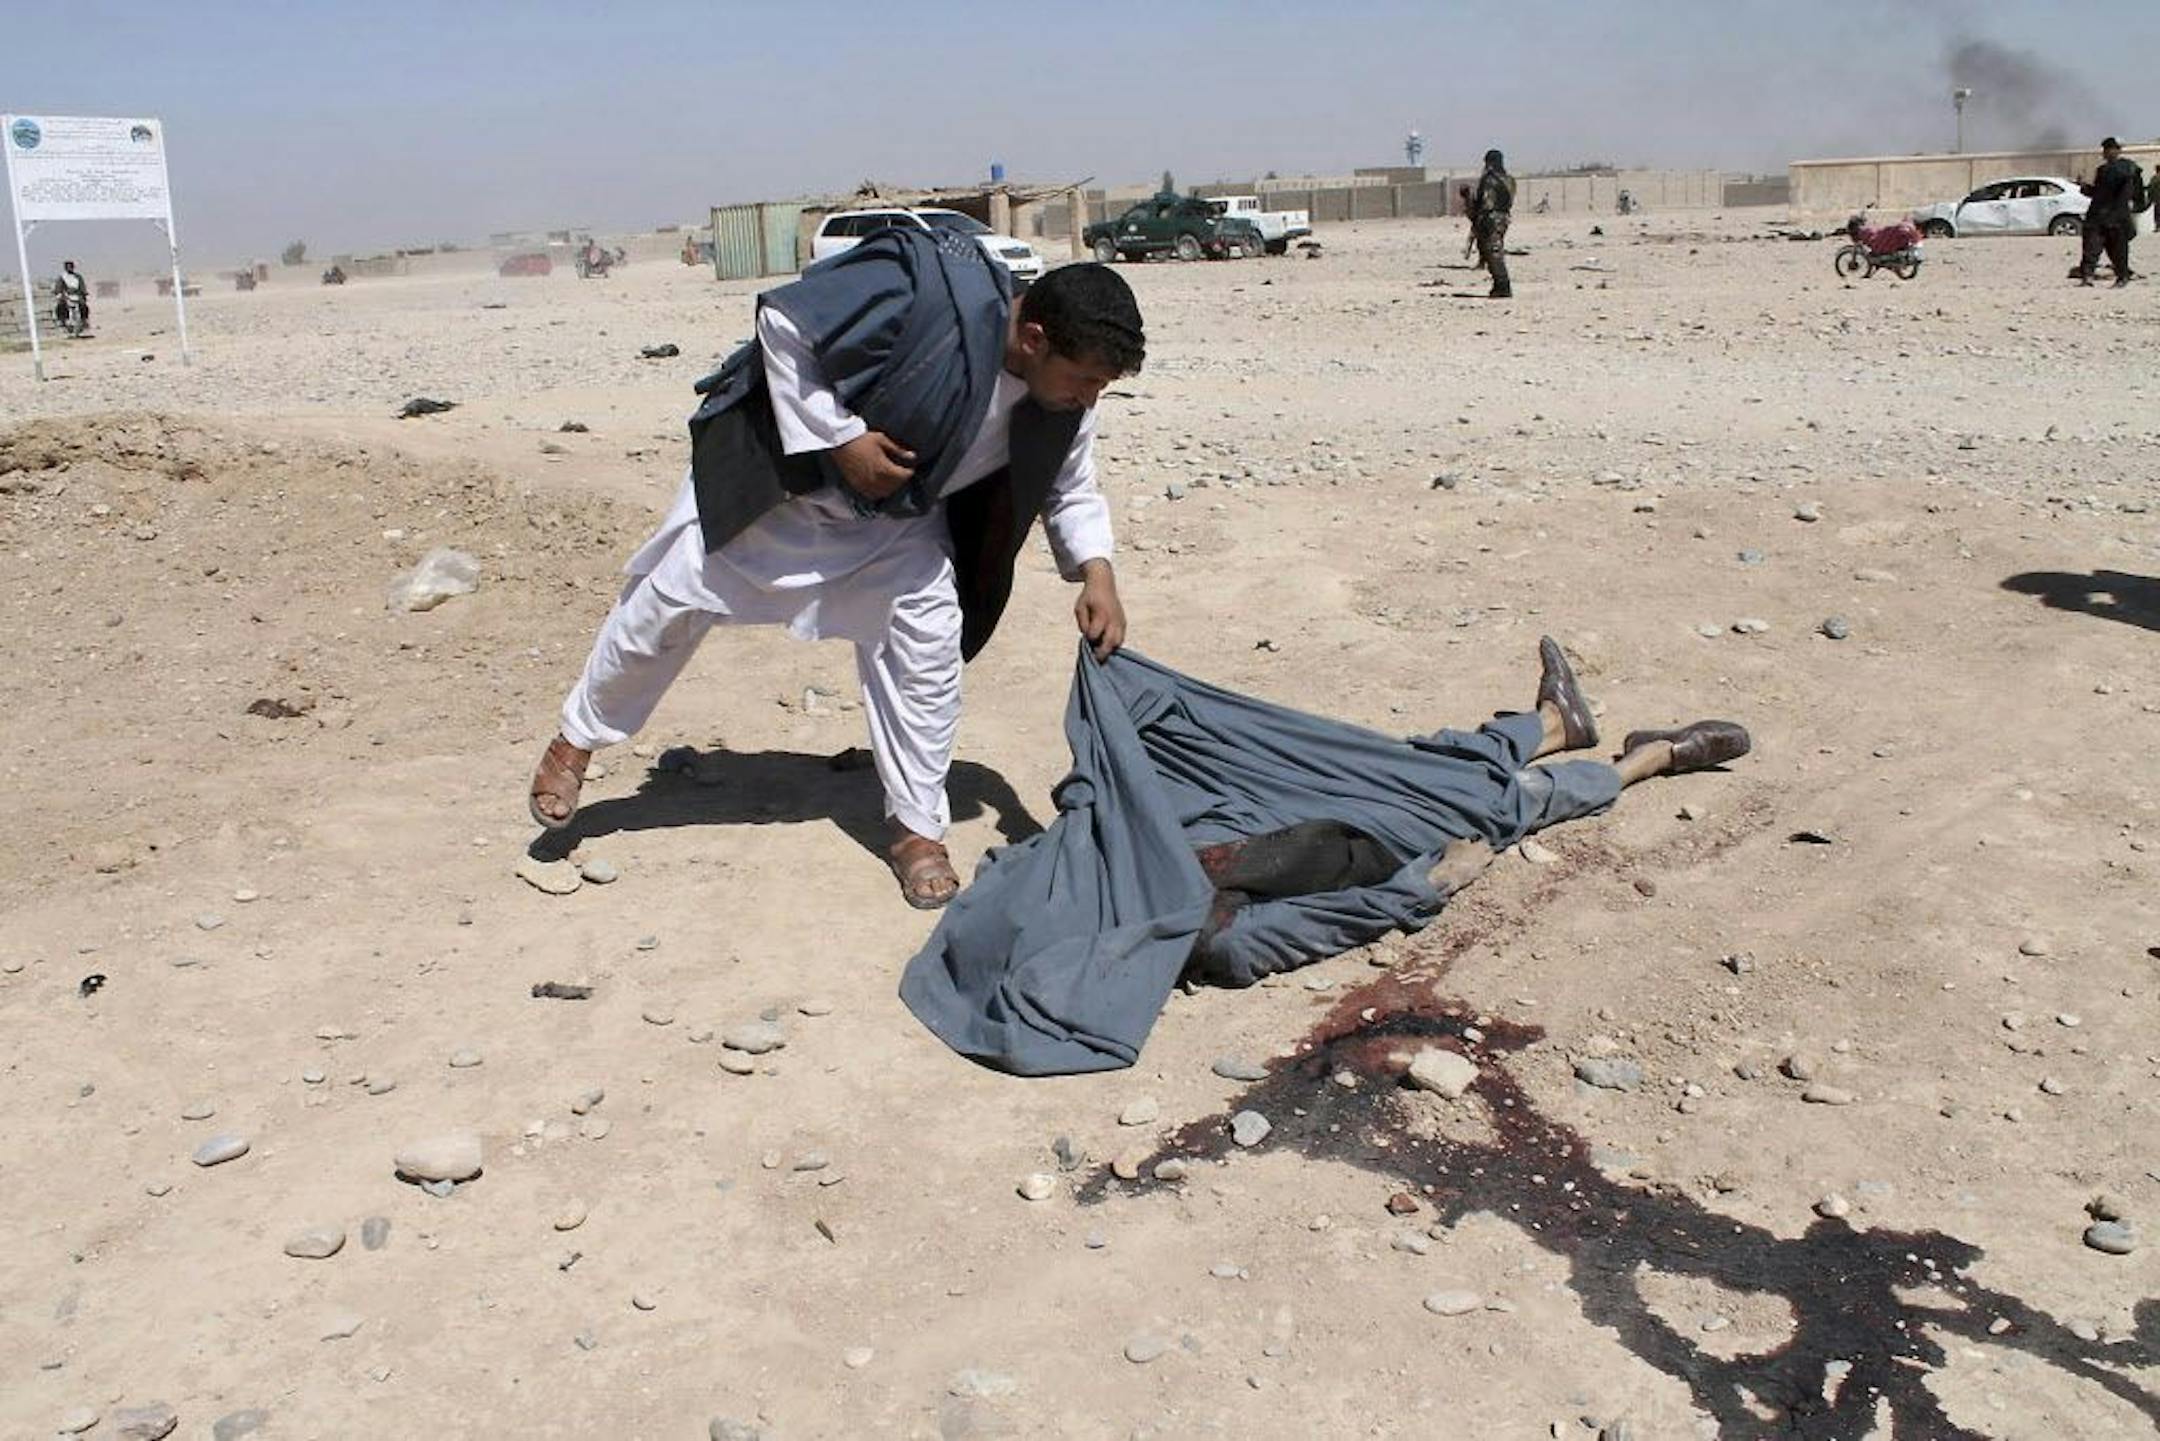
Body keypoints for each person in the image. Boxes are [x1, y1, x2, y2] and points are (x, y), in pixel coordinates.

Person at [528, 230, 1143, 909]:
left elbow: (1072, 483)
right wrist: (842, 439)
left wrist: (1097, 572)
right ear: (1032, 338)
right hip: (789, 498)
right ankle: (575, 743)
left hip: (898, 527)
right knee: (663, 608)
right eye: (1084, 379)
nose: (1089, 398)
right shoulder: (927, 292)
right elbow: (785, 322)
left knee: (928, 650)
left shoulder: (1062, 402)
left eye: (1102, 386)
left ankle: (916, 828)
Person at [2076, 137, 2145, 288]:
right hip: (2098, 215)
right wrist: (2084, 187)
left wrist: (2139, 206)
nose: (2106, 152)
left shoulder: (2128, 168)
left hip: (2117, 215)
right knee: (2091, 246)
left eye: (2110, 149)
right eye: (2105, 149)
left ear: (2118, 150)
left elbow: (2137, 192)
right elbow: (2099, 192)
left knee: (2118, 249)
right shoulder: (2102, 170)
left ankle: (2122, 277)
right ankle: (2087, 276)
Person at [1473, 149, 1516, 299]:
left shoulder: (1489, 179)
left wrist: (1481, 218)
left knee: (1494, 251)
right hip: (1504, 218)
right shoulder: (1509, 179)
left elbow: (1485, 202)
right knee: (1492, 251)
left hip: (1491, 218)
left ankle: (1503, 285)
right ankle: (1499, 285)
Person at [53, 260, 89, 333]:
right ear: (65, 268)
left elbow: (82, 286)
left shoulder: (78, 277)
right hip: (66, 295)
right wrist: (59, 293)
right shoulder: (62, 277)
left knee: (83, 306)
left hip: (77, 295)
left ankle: (84, 320)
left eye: (71, 267)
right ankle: (62, 320)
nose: (69, 268)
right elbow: (58, 287)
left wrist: (84, 293)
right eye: (68, 267)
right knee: (61, 305)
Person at [1457, 184, 1484, 268]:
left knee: (1481, 242)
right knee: (1476, 240)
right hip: (1477, 222)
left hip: (1481, 221)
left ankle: (1482, 262)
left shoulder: (1473, 199)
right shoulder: (1469, 199)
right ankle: (1481, 261)